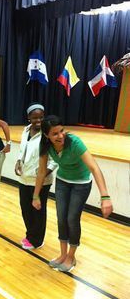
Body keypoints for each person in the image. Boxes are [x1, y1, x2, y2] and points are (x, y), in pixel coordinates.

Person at [32, 115, 113, 272]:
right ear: (46, 135)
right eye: (55, 133)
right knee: (61, 218)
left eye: (61, 131)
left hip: (81, 184)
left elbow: (94, 168)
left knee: (72, 219)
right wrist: (35, 195)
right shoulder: (45, 146)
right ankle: (62, 255)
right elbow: (42, 171)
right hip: (63, 182)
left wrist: (105, 197)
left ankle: (71, 256)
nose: (60, 136)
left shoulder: (74, 143)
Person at [15, 103, 57, 250]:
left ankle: (37, 240)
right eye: (35, 118)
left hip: (41, 182)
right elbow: (22, 150)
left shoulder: (47, 134)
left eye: (41, 117)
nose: (38, 121)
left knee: (38, 211)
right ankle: (30, 235)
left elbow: (54, 160)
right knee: (25, 208)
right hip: (24, 178)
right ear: (28, 118)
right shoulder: (25, 131)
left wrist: (45, 173)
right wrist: (18, 161)